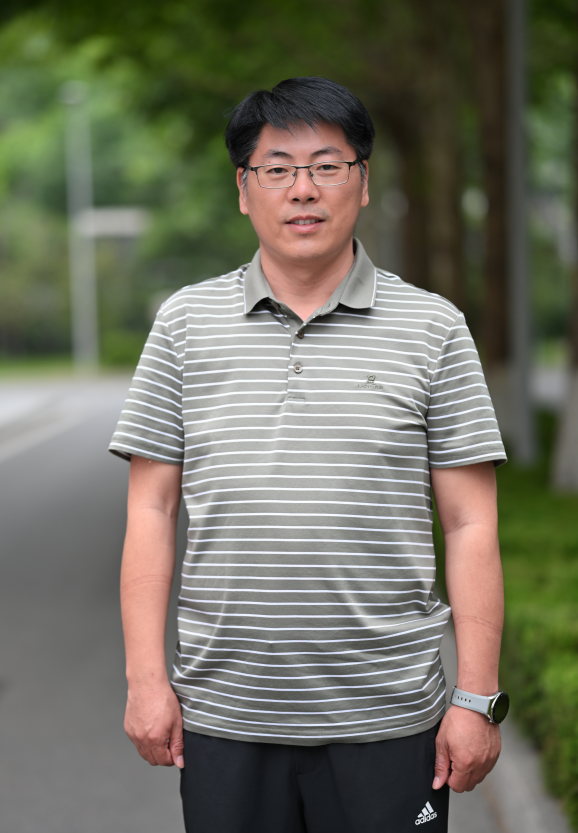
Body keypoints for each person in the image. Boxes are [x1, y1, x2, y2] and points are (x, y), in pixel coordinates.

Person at [110, 76, 508, 833]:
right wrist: (145, 680)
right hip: (225, 716)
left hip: (391, 719)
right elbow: (151, 509)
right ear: (243, 188)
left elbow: (470, 524)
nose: (303, 190)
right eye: (277, 169)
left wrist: (476, 698)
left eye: (328, 166)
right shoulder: (185, 325)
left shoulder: (433, 328)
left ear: (363, 183)